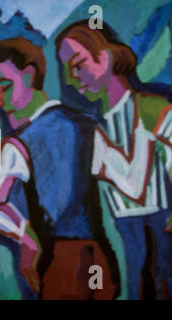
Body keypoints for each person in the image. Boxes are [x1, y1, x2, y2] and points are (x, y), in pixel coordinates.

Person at [0, 36, 119, 299]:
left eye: (3, 86)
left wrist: (25, 236)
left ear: (29, 75)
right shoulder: (87, 128)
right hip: (99, 259)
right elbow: (128, 181)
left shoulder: (19, 143)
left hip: (58, 263)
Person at [56, 21, 172, 299]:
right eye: (67, 72)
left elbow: (143, 181)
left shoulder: (153, 108)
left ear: (105, 56)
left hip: (164, 232)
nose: (73, 79)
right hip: (125, 239)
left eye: (79, 65)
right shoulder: (92, 131)